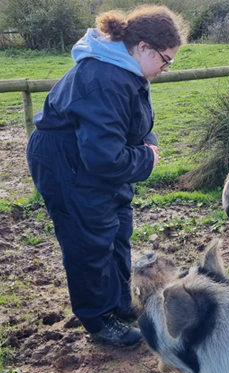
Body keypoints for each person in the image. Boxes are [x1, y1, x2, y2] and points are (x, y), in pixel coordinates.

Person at [26, 5, 186, 346]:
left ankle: (117, 301)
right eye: (165, 59)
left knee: (116, 231)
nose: (165, 67)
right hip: (65, 162)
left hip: (94, 159)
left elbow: (134, 127)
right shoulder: (105, 77)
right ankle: (97, 319)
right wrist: (145, 157)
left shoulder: (128, 72)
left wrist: (147, 145)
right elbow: (103, 157)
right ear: (143, 47)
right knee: (89, 240)